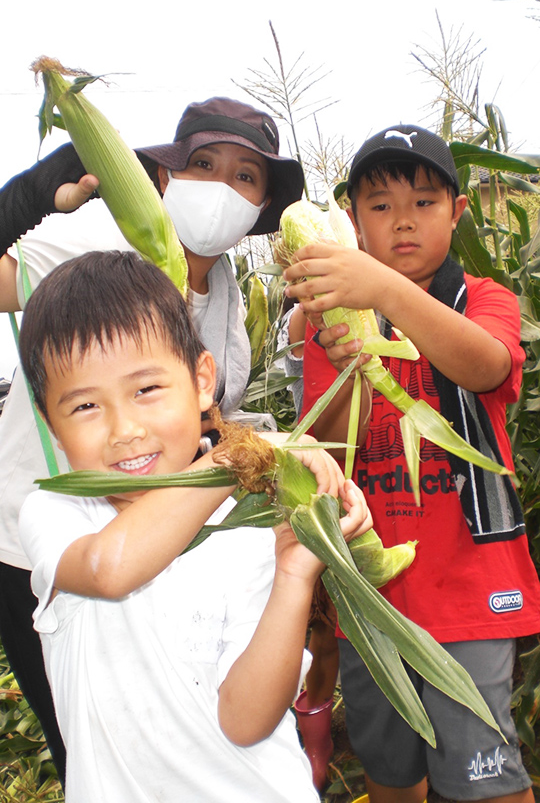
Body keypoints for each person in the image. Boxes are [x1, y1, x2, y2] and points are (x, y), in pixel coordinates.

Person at [0, 95, 304, 784]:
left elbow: (211, 424)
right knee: (89, 727)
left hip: (175, 521)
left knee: (176, 705)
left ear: (260, 207)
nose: (223, 186)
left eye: (245, 176)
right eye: (204, 164)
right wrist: (24, 200)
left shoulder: (224, 291)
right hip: (50, 536)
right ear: (165, 179)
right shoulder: (97, 244)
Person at [16, 250, 372, 802]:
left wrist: (294, 577)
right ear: (51, 425)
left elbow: (245, 721)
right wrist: (238, 459)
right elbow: (110, 569)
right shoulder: (57, 514)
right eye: (86, 406)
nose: (125, 429)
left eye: (147, 389)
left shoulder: (248, 525)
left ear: (202, 381)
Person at [283, 124, 540, 803]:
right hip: (373, 599)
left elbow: (485, 367)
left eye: (425, 202)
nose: (402, 222)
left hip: (472, 589)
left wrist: (386, 294)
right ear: (352, 220)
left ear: (457, 213)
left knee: (486, 778)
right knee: (390, 769)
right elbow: (330, 449)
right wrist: (345, 368)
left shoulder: (483, 299)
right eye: (380, 206)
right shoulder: (329, 322)